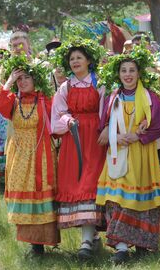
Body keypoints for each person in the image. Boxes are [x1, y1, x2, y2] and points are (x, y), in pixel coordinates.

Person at [96, 48, 160, 264]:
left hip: (141, 155)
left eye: (132, 70)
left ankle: (142, 243)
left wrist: (138, 136)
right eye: (123, 70)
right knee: (117, 199)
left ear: (139, 73)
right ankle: (120, 247)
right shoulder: (112, 98)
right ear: (118, 74)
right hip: (118, 154)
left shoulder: (149, 97)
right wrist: (116, 136)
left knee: (140, 200)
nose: (128, 74)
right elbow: (103, 126)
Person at [0, 63, 58, 256]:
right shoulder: (12, 101)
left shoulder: (45, 100)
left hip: (41, 152)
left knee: (42, 191)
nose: (23, 82)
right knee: (24, 193)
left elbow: (59, 119)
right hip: (18, 154)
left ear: (36, 80)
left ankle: (46, 239)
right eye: (19, 78)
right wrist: (7, 84)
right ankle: (33, 245)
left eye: (27, 77)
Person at [50, 39, 106, 261]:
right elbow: (58, 113)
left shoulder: (100, 82)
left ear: (89, 61)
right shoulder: (66, 86)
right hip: (74, 141)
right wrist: (68, 120)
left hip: (95, 138)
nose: (75, 61)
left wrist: (105, 128)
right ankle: (89, 238)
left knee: (92, 184)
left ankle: (88, 239)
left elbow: (107, 109)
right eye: (72, 58)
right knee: (79, 183)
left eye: (79, 58)